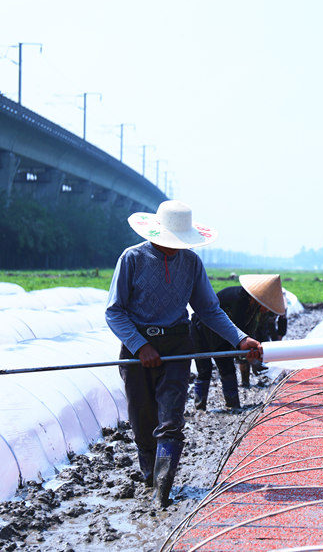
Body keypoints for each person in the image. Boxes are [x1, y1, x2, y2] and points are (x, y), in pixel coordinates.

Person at [105, 200, 262, 507]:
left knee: (170, 420)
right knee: (142, 419)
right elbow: (114, 312)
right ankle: (150, 476)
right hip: (138, 347)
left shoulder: (191, 263)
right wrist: (141, 346)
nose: (175, 247)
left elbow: (209, 309)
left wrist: (240, 339)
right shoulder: (132, 258)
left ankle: (161, 492)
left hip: (177, 345)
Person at [192, 274, 286, 407]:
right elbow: (239, 331)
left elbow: (249, 333)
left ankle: (233, 405)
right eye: (267, 306)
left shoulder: (254, 308)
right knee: (205, 369)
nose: (267, 310)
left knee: (228, 368)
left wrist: (253, 354)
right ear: (260, 299)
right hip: (202, 328)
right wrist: (248, 357)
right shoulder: (239, 300)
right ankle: (200, 407)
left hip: (223, 333)